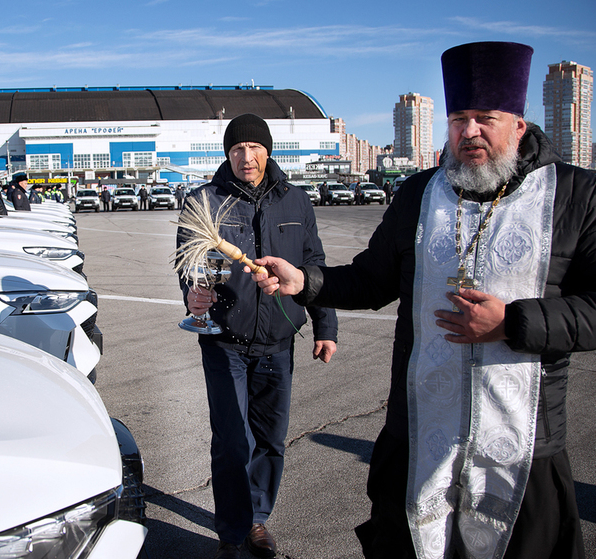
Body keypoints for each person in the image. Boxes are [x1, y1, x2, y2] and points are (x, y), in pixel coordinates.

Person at [250, 42, 593, 559]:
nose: (469, 132)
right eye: (458, 119)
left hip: (522, 447)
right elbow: (372, 280)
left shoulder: (575, 196)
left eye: (485, 118)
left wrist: (514, 321)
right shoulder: (419, 194)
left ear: (519, 124)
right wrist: (306, 282)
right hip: (418, 440)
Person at [176, 113, 338, 559]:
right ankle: (231, 530)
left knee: (270, 439)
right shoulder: (204, 200)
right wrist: (192, 296)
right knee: (232, 441)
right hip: (225, 341)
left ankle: (257, 520)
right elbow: (186, 266)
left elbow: (314, 267)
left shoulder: (296, 201)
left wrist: (326, 326)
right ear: (226, 154)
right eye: (236, 150)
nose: (246, 158)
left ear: (268, 151)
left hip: (278, 340)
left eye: (254, 148)